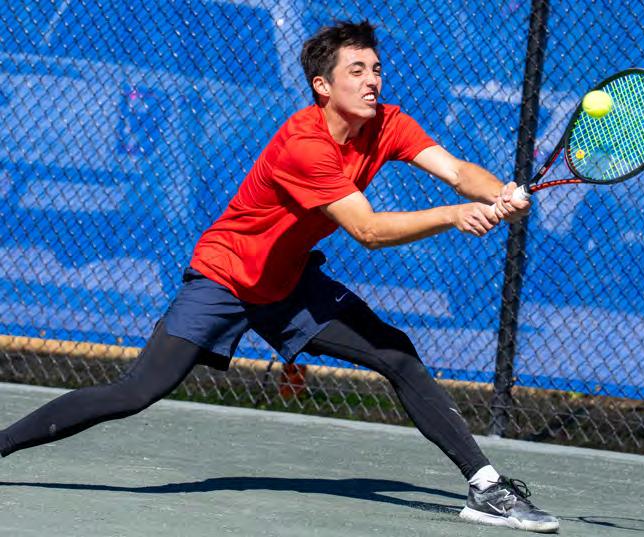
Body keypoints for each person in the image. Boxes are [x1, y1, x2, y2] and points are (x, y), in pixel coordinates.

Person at [0, 20, 558, 533]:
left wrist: (500, 193)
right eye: (357, 71)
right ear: (322, 85)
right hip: (226, 278)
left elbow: (457, 171)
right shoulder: (304, 146)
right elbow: (367, 230)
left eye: (376, 69)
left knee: (397, 354)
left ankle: (487, 488)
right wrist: (453, 216)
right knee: (135, 392)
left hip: (288, 283)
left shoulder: (388, 123)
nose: (372, 81)